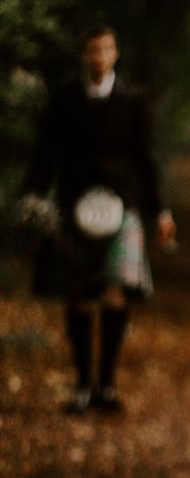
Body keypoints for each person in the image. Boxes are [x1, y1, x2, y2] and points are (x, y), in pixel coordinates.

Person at [22, 25, 176, 413]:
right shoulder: (65, 101)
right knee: (77, 296)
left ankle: (107, 384)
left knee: (115, 292)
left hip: (122, 206)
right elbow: (46, 155)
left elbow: (147, 159)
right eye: (92, 50)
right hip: (73, 205)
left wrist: (160, 211)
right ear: (83, 55)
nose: (99, 57)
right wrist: (33, 196)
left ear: (115, 54)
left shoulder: (134, 101)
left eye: (106, 49)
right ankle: (81, 385)